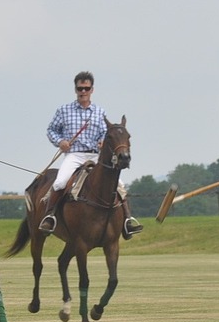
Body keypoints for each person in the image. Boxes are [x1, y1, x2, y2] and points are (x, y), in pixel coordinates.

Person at [39, 71, 143, 239]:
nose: (83, 92)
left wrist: (103, 141)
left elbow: (106, 133)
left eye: (86, 88)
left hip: (95, 156)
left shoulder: (100, 112)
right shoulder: (64, 110)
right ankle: (50, 217)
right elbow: (51, 130)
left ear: (92, 90)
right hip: (74, 155)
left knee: (120, 186)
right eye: (80, 88)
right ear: (75, 89)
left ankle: (127, 221)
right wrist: (60, 142)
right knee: (60, 182)